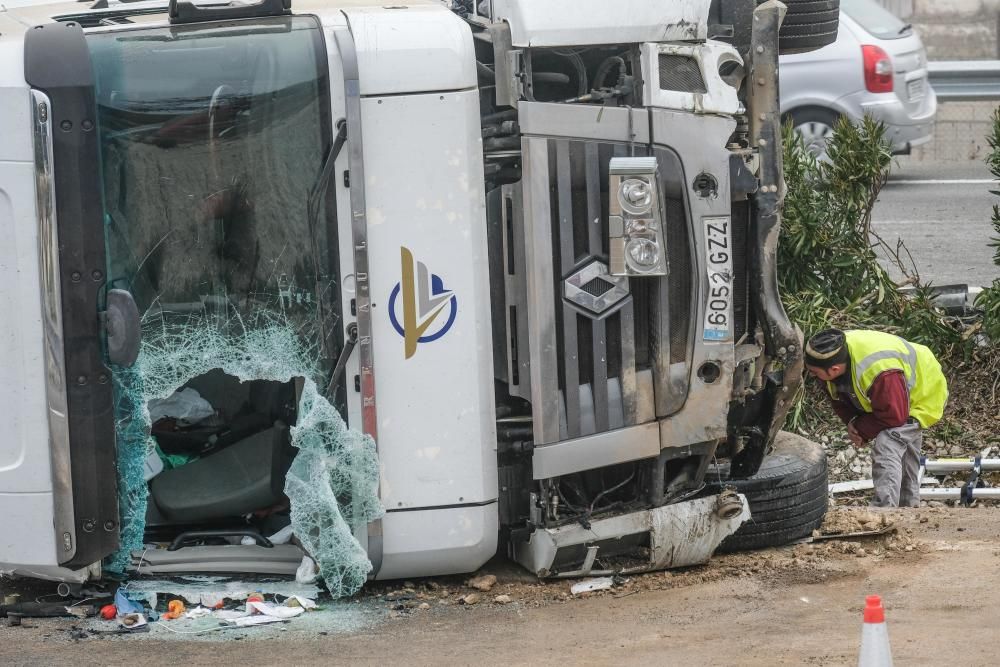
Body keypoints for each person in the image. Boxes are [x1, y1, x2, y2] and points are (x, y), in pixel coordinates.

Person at [804, 328, 948, 508]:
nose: (811, 375)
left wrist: (862, 430)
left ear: (834, 369)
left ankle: (883, 512)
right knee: (905, 452)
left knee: (888, 443)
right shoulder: (830, 356)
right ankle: (909, 509)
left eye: (814, 372)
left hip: (922, 393)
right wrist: (852, 422)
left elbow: (894, 417)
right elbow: (837, 398)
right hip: (894, 397)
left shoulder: (880, 371)